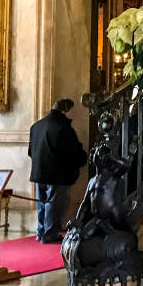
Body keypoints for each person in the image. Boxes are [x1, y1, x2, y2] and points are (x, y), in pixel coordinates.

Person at [28, 98, 88, 243]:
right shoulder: (62, 127)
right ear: (66, 110)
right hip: (57, 173)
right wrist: (83, 159)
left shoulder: (36, 126)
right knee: (54, 205)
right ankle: (50, 234)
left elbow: (30, 151)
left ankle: (41, 231)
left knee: (42, 203)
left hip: (38, 172)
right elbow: (72, 151)